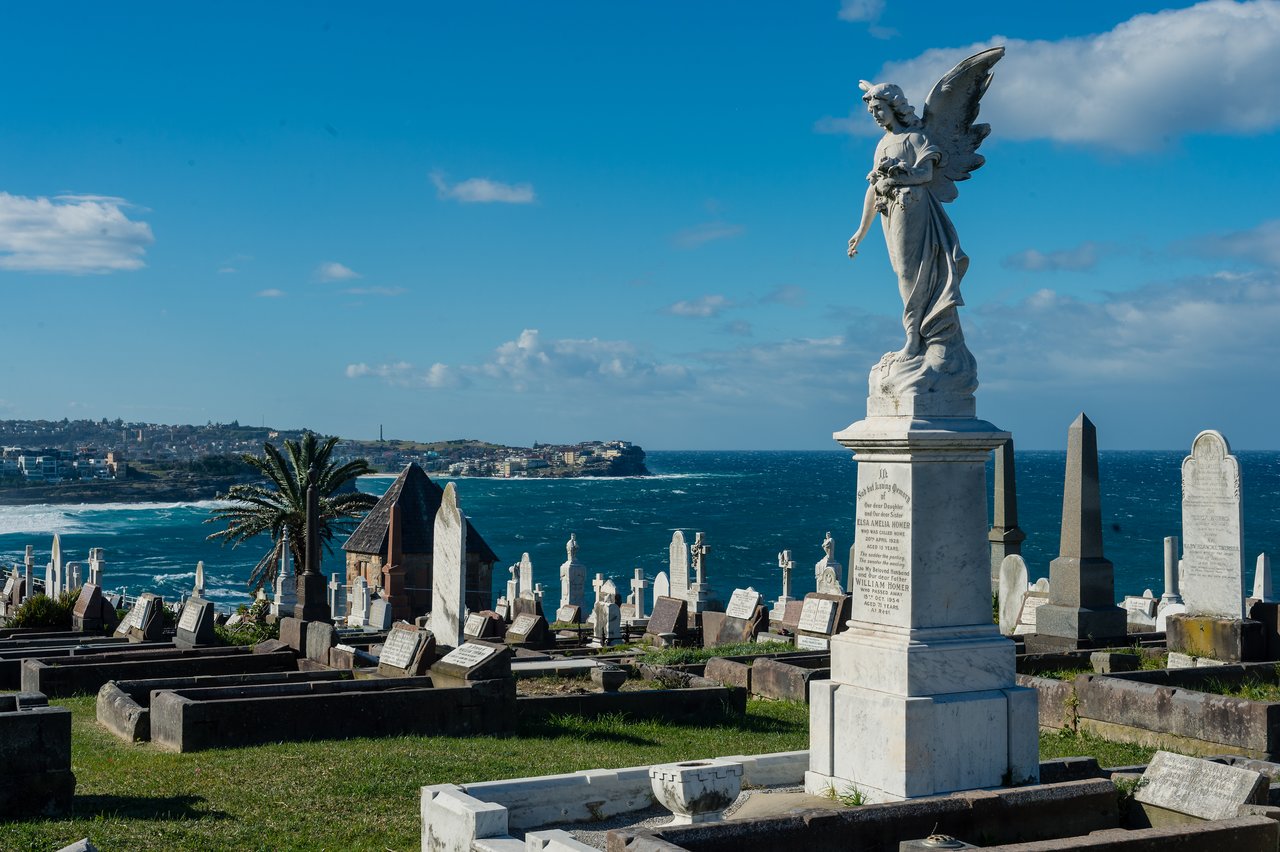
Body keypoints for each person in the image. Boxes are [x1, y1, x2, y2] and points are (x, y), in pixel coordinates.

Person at [847, 82, 968, 364]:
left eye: (879, 109)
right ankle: (916, 337)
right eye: (872, 111)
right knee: (902, 272)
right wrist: (860, 230)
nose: (876, 115)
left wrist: (896, 178)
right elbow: (874, 188)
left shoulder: (915, 139)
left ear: (894, 107)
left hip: (913, 208)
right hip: (890, 212)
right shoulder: (882, 146)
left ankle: (914, 339)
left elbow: (925, 174)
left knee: (909, 273)